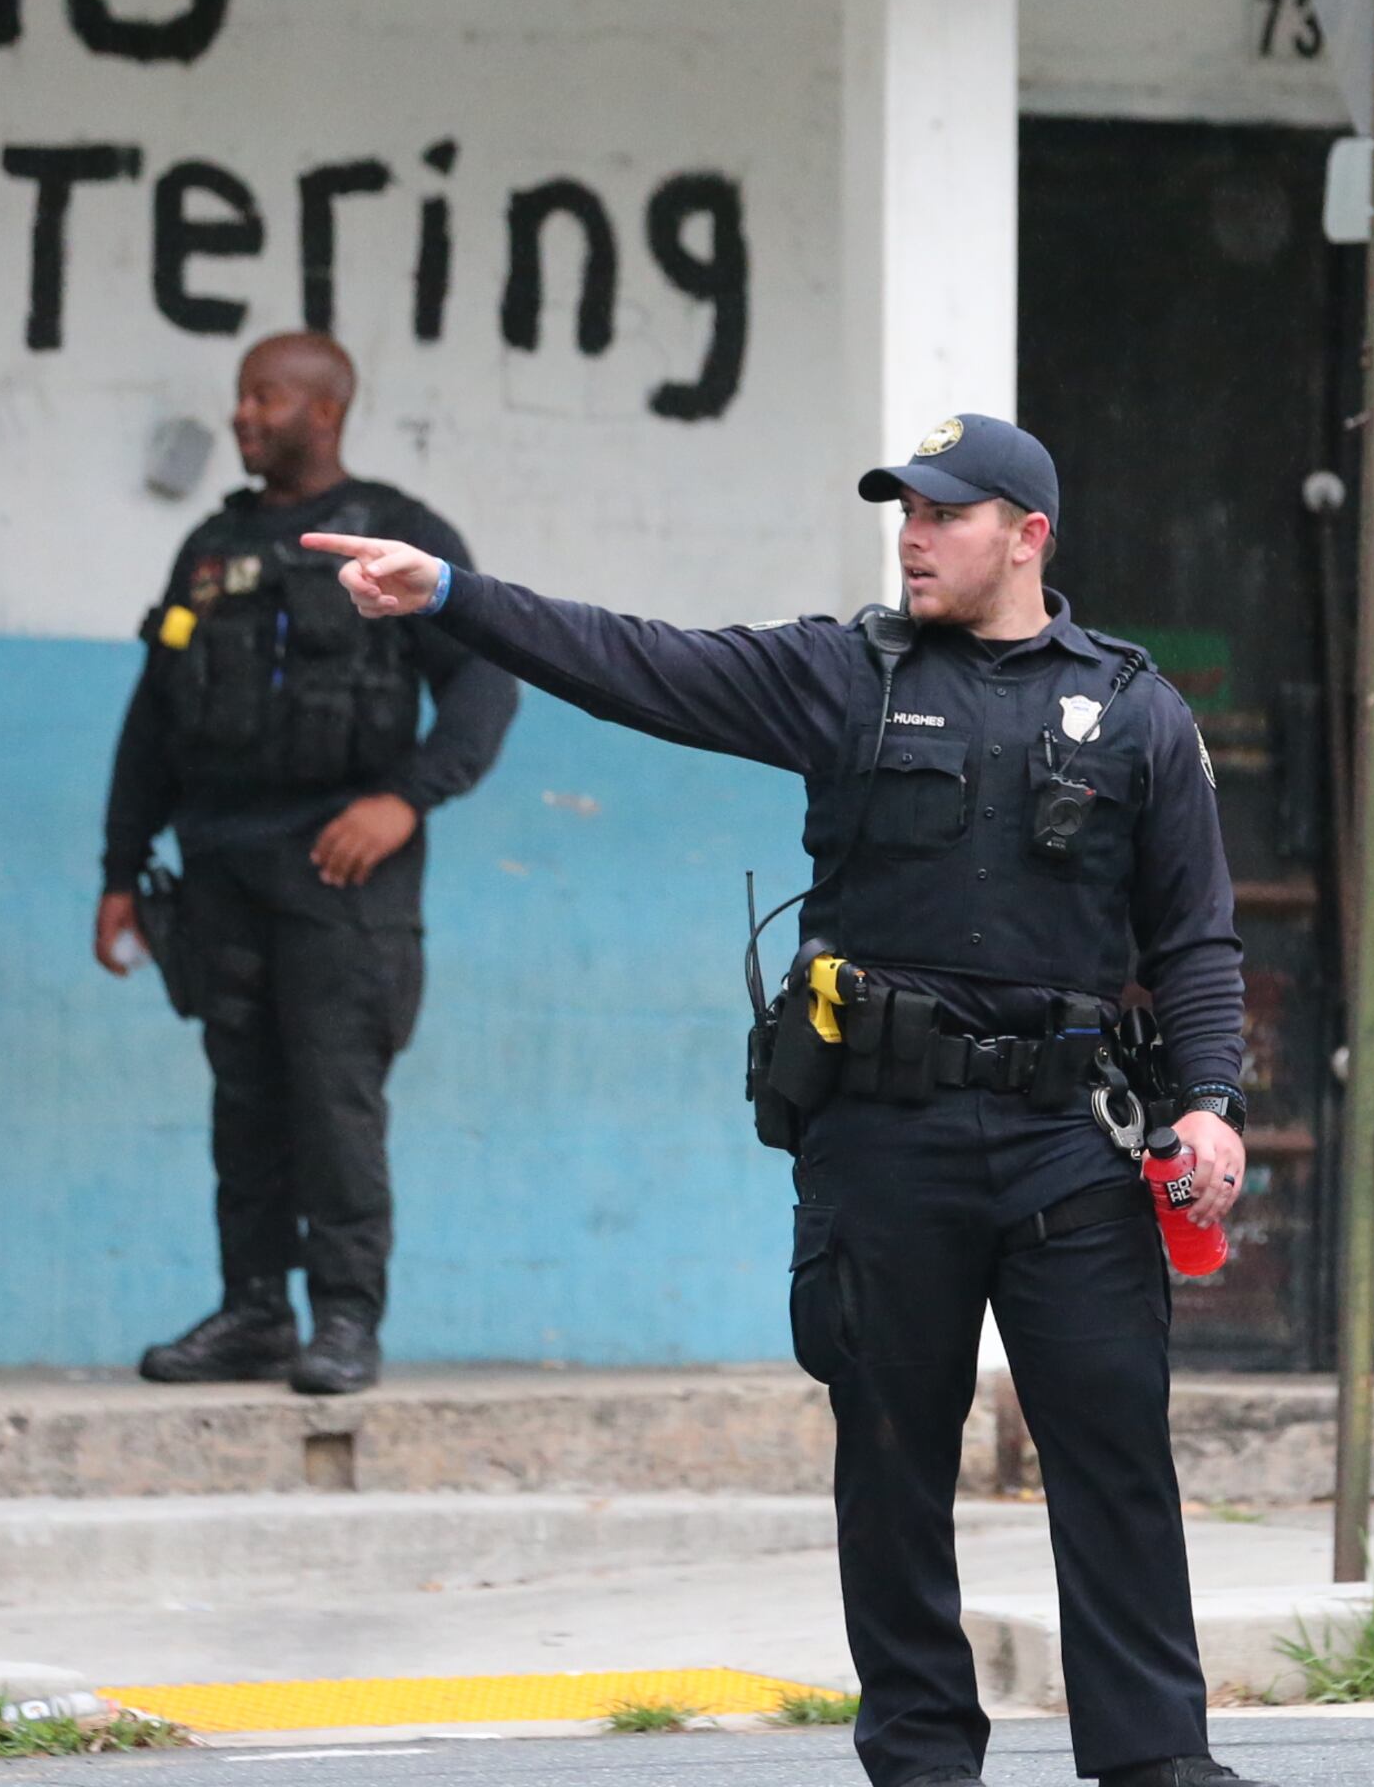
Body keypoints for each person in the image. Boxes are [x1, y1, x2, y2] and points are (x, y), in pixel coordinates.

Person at [300, 413, 1267, 1787]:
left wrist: (1214, 1101)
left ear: (1027, 534)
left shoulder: (1132, 709)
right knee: (890, 1462)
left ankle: (1156, 1759)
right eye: (903, 512)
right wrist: (455, 594)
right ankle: (924, 1759)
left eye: (942, 513)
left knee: (1112, 1449)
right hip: (886, 1136)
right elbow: (636, 661)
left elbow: (1196, 936)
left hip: (1071, 1137)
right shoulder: (842, 676)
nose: (912, 535)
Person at [96, 332, 517, 1397]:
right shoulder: (207, 546)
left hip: (343, 868)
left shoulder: (396, 534)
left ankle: (343, 1320)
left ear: (325, 412)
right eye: (241, 396)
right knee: (243, 1099)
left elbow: (484, 685)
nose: (241, 415)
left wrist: (403, 802)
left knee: (334, 1096)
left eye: (264, 397)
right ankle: (253, 1313)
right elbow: (152, 716)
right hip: (220, 864)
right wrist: (118, 869)